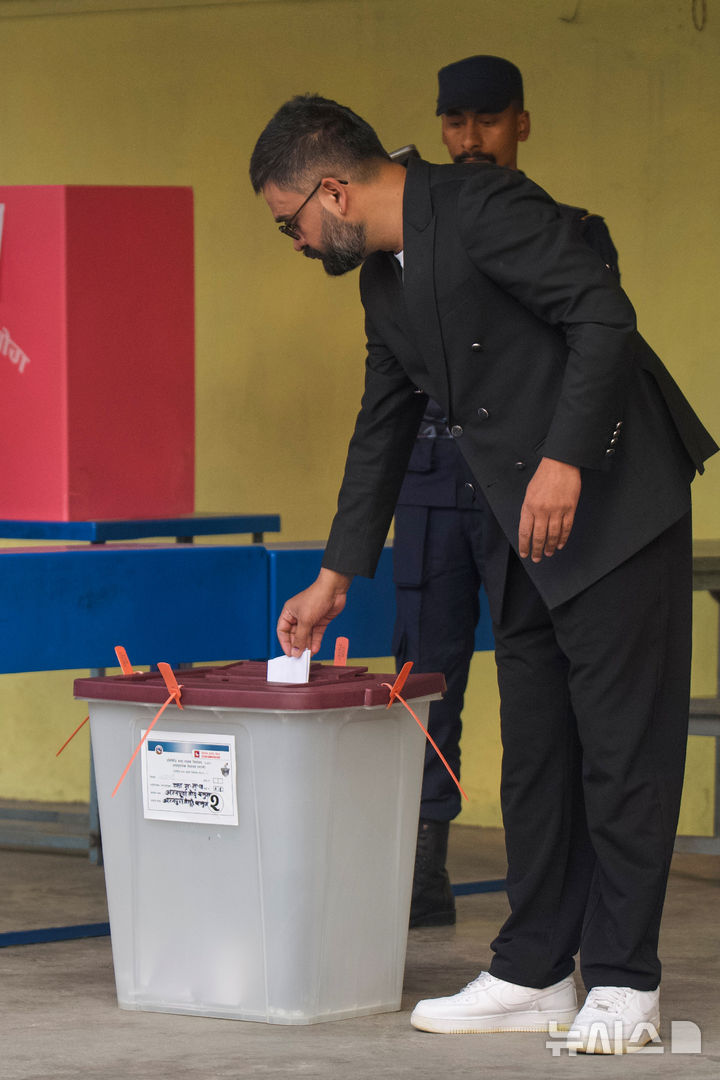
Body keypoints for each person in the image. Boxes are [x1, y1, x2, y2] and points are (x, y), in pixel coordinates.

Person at [249, 95, 716, 1051]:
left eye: (289, 222)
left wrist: (566, 457)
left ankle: (625, 981)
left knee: (622, 747)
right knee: (538, 750)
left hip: (616, 500)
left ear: (332, 191)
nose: (294, 243)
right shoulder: (382, 282)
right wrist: (338, 573)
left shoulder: (484, 207)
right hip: (523, 525)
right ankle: (536, 969)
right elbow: (383, 424)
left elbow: (603, 316)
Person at [395, 55, 620, 929]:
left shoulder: (569, 231)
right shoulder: (411, 236)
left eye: (487, 121)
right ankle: (421, 861)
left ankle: (547, 878)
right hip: (429, 485)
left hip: (524, 491)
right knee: (424, 678)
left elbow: (592, 356)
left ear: (521, 124)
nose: (469, 140)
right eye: (455, 122)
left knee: (540, 682)